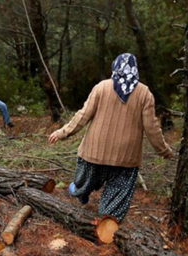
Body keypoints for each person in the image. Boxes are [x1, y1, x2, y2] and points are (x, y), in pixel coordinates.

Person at [48, 53, 173, 223]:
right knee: (116, 196)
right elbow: (152, 128)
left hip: (94, 151)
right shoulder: (144, 93)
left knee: (82, 182)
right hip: (126, 158)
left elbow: (82, 116)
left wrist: (62, 132)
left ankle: (80, 192)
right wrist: (164, 151)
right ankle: (106, 221)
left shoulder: (101, 87)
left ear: (115, 66)